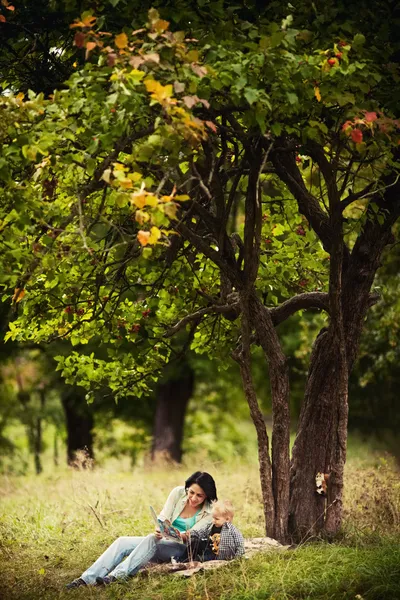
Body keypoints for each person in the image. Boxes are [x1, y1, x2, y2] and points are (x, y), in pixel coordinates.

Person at [66, 471, 217, 588]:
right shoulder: (178, 492)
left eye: (199, 495)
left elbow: (193, 534)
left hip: (182, 548)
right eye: (191, 492)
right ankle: (85, 579)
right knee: (122, 541)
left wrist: (179, 535)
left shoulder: (210, 512)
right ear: (187, 488)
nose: (193, 498)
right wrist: (160, 528)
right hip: (163, 539)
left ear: (207, 496)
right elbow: (164, 515)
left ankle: (116, 577)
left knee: (152, 539)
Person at [185, 499, 245, 564]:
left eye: (216, 519)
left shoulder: (232, 530)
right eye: (213, 518)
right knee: (194, 541)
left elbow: (240, 544)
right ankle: (185, 558)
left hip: (220, 555)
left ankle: (195, 560)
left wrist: (237, 559)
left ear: (227, 519)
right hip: (209, 550)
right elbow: (201, 531)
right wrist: (191, 533)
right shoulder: (211, 525)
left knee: (201, 559)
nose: (213, 520)